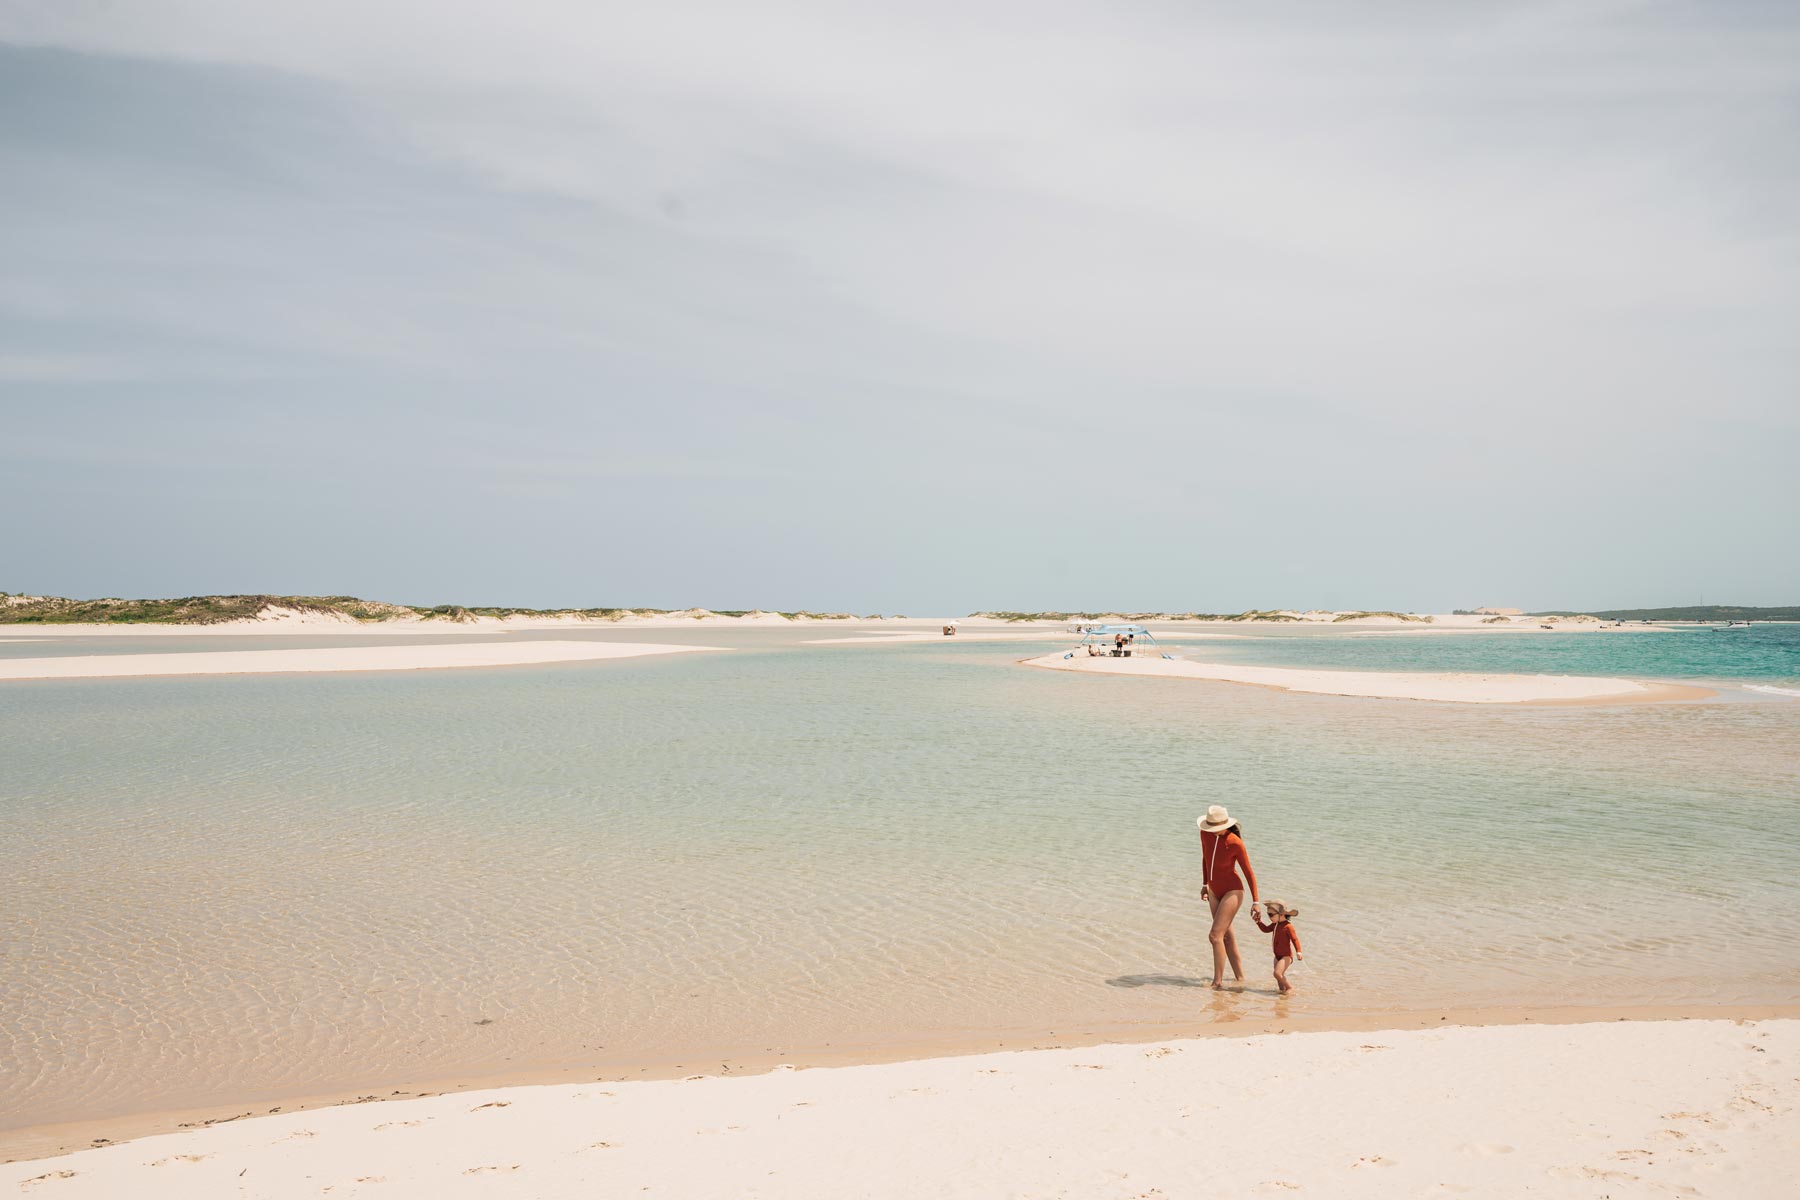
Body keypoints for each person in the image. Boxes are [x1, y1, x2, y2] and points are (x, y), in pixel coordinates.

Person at [1197, 804, 1259, 989]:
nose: (1212, 830)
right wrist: (1205, 884)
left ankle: (1217, 982)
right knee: (1226, 937)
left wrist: (1256, 901)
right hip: (1213, 891)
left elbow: (1248, 872)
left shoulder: (1235, 842)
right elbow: (1205, 858)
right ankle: (1240, 979)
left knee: (1214, 935)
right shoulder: (1204, 834)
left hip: (1233, 890)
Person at [1252, 899, 1303, 994]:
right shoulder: (1275, 924)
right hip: (1277, 956)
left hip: (1286, 956)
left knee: (1277, 973)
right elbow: (1266, 929)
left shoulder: (1288, 926)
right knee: (1279, 977)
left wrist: (1298, 952)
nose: (1269, 917)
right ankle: (1282, 991)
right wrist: (1258, 921)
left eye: (1271, 915)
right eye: (1268, 914)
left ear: (1281, 914)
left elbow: (1295, 939)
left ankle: (1289, 988)